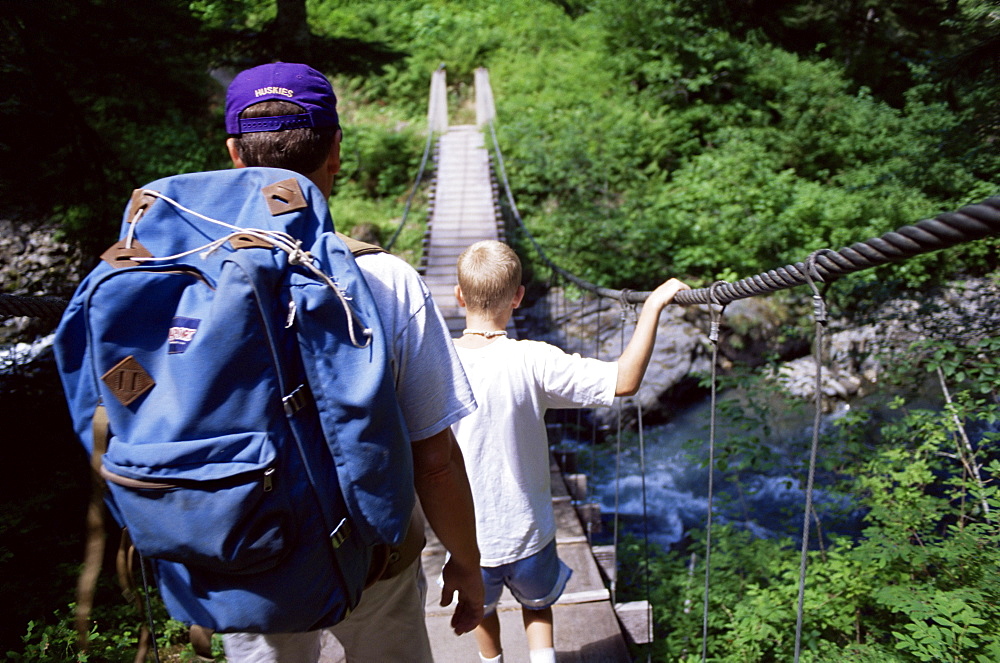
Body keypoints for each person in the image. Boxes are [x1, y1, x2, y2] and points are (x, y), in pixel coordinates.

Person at [219, 62, 483, 663]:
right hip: (373, 560)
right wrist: (467, 565)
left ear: (233, 155)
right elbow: (435, 461)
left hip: (245, 555)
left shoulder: (181, 281)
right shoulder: (385, 282)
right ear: (336, 150)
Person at [450, 240, 689, 663]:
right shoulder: (532, 359)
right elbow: (625, 381)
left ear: (458, 295)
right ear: (519, 297)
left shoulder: (438, 361)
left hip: (469, 543)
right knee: (538, 606)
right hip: (530, 534)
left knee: (481, 611)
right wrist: (651, 306)